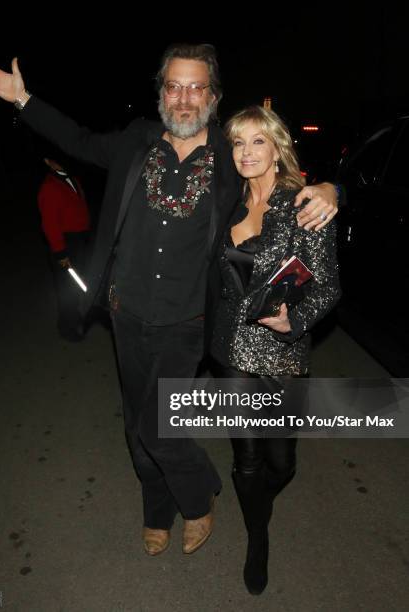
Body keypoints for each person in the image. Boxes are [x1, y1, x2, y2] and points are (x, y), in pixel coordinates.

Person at [0, 43, 340, 557]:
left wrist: (332, 188)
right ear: (161, 92)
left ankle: (197, 495)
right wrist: (23, 99)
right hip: (126, 313)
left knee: (158, 424)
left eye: (196, 87)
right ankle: (156, 511)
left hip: (189, 322)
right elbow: (76, 139)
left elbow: (286, 178)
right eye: (174, 86)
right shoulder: (134, 142)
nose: (184, 98)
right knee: (135, 421)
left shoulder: (232, 159)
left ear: (213, 96)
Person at [210, 105, 341, 594]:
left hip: (283, 353)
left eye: (257, 141)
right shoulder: (224, 199)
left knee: (281, 463)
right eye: (237, 142)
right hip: (229, 349)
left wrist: (295, 321)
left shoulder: (302, 204)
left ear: (276, 146)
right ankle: (257, 536)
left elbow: (329, 287)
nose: (246, 153)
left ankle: (256, 505)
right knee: (246, 458)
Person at [38, 156, 91, 341]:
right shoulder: (49, 187)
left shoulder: (73, 178)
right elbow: (49, 225)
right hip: (64, 244)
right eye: (56, 159)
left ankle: (76, 318)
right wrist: (60, 253)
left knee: (77, 285)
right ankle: (67, 329)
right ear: (47, 161)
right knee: (66, 290)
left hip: (79, 240)